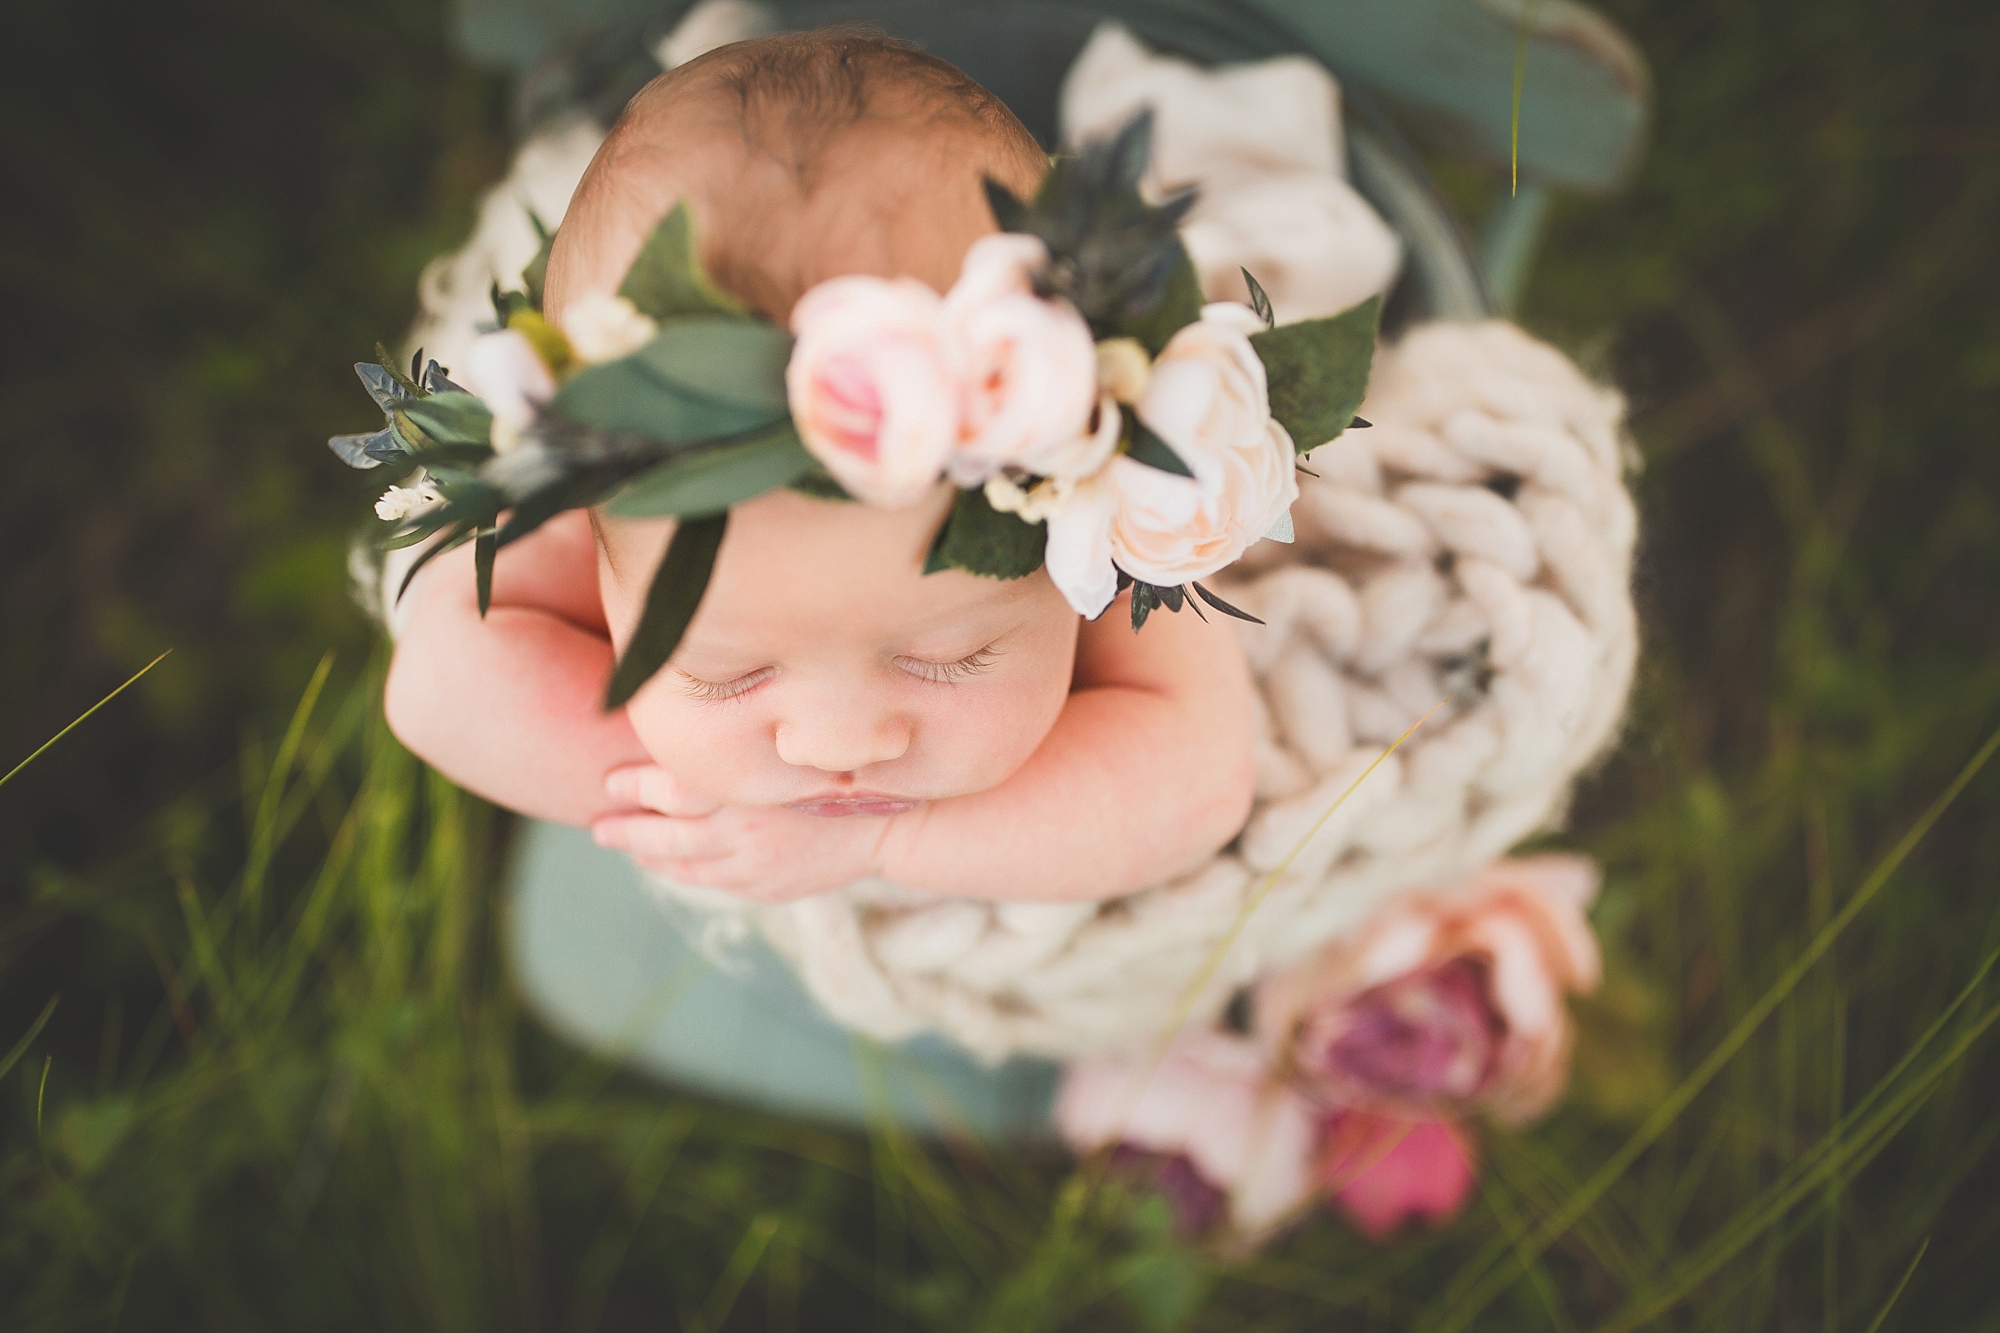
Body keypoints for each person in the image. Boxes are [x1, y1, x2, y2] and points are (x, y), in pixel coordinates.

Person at [382, 30, 1263, 906]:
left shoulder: (1071, 485)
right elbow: (440, 687)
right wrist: (678, 803)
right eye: (724, 672)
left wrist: (888, 840)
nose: (839, 744)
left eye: (954, 655)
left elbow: (1203, 774)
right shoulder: (625, 490)